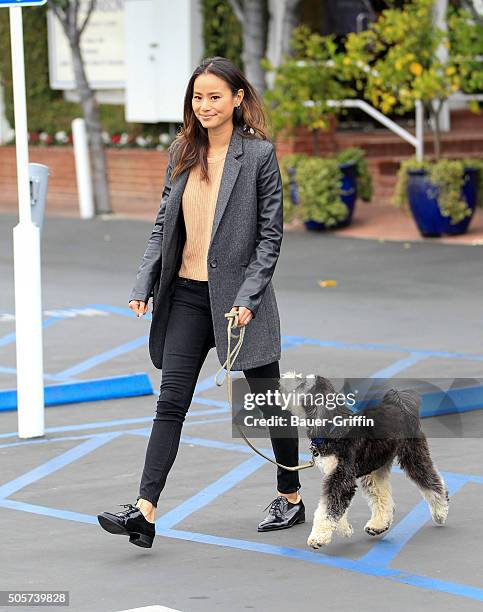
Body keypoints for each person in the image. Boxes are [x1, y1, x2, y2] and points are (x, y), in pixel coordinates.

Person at [97, 56, 304, 549]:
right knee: (170, 404)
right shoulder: (183, 150)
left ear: (237, 98)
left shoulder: (257, 155)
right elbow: (163, 224)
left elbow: (269, 238)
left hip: (239, 299)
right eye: (198, 97)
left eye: (215, 96)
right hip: (187, 295)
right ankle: (144, 512)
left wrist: (250, 297)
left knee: (268, 403)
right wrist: (143, 283)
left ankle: (291, 496)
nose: (206, 106)